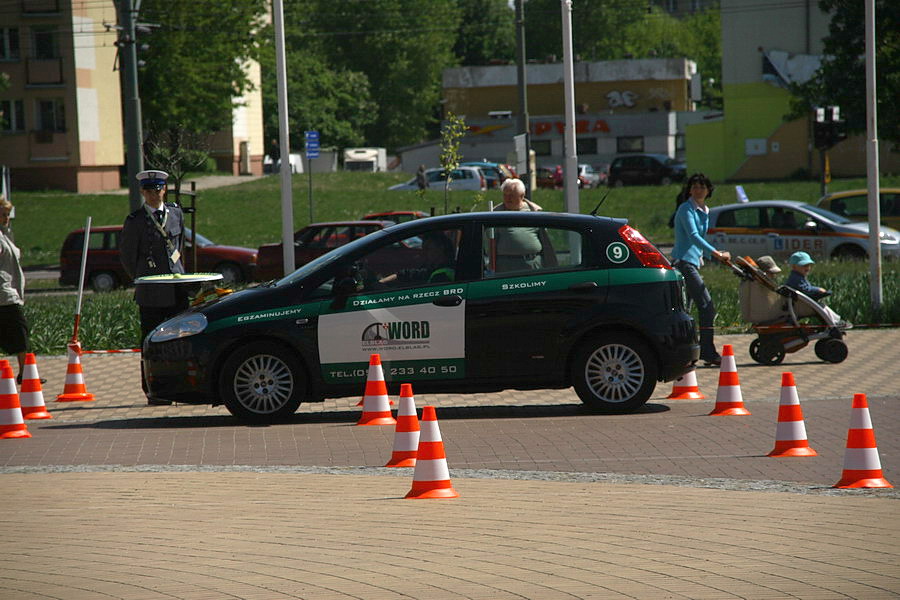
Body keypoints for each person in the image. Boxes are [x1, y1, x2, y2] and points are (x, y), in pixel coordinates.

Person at [120, 170, 188, 404]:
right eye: (149, 190)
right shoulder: (136, 221)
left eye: (158, 189)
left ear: (164, 189)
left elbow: (180, 248)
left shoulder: (176, 213)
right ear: (142, 192)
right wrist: (143, 278)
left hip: (176, 289)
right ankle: (154, 391)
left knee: (179, 341)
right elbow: (128, 258)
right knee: (151, 343)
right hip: (151, 294)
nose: (154, 194)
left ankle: (179, 388)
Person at [670, 172, 731, 366]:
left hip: (692, 262)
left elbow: (698, 242)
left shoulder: (703, 209)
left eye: (702, 187)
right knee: (706, 306)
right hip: (684, 263)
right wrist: (716, 253)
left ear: (708, 190)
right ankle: (707, 351)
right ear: (689, 190)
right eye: (695, 187)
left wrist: (709, 256)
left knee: (684, 309)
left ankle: (683, 351)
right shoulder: (685, 209)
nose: (698, 190)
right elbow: (694, 236)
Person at [0, 195, 40, 385]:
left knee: (19, 333)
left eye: (7, 214)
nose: (5, 218)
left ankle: (25, 372)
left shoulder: (6, 234)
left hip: (10, 292)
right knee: (20, 331)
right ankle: (26, 373)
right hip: (4, 293)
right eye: (2, 214)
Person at [491, 178, 552, 272]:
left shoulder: (534, 212)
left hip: (532, 263)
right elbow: (491, 243)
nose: (507, 198)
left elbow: (546, 240)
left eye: (511, 195)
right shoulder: (496, 213)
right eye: (505, 195)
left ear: (522, 196)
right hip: (506, 265)